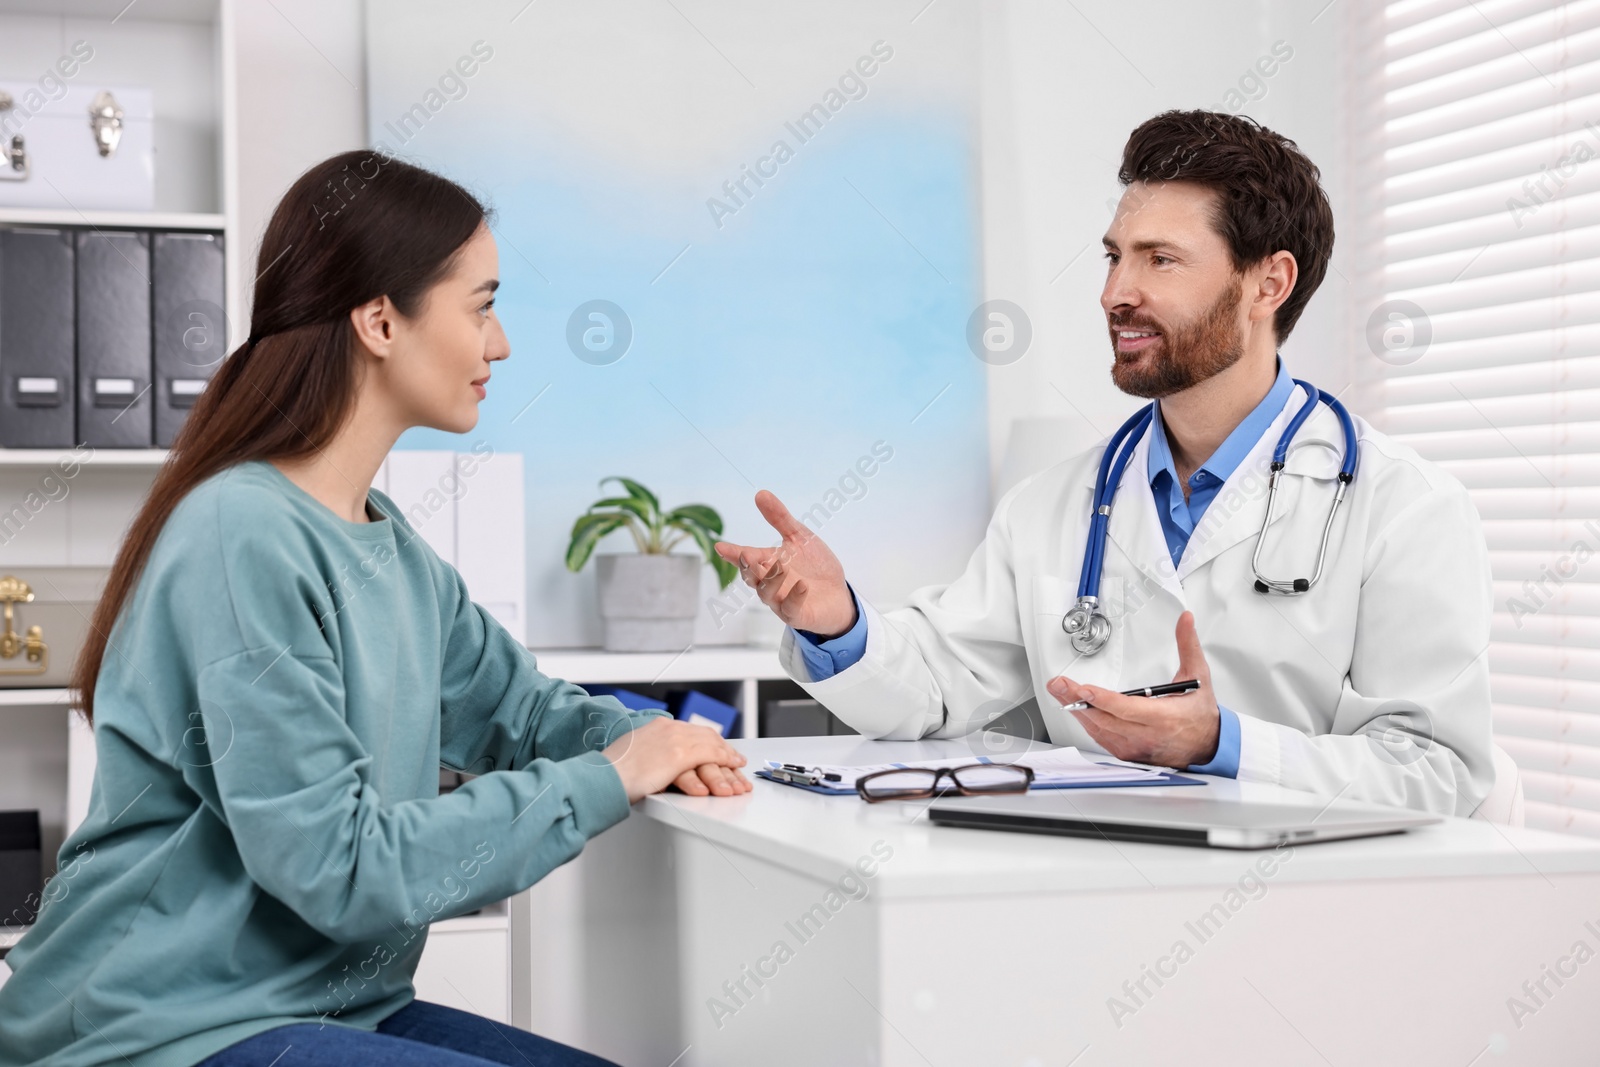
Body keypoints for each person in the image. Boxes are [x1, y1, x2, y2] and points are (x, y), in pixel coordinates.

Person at [0, 150, 750, 1067]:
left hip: (335, 1006)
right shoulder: (242, 533)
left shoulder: (390, 546)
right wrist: (612, 774)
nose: (500, 342)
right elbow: (340, 868)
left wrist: (664, 742)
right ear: (380, 320)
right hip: (163, 1029)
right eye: (481, 306)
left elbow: (523, 712)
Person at [715, 110, 1497, 816]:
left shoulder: (1406, 507)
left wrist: (1222, 744)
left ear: (1269, 283)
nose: (1115, 292)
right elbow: (934, 688)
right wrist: (836, 621)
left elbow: (1439, 774)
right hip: (1086, 898)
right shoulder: (1052, 506)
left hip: (1309, 914)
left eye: (1160, 260)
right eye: (1115, 257)